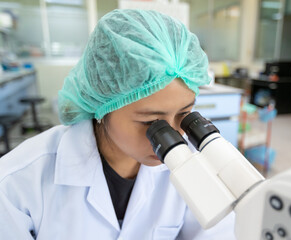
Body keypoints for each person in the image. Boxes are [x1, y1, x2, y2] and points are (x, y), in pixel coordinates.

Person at [0, 9, 236, 239]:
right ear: (103, 105)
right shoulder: (16, 184)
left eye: (184, 114)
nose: (173, 137)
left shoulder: (196, 166)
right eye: (151, 122)